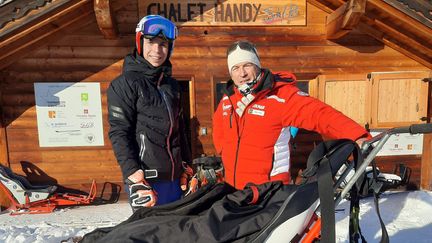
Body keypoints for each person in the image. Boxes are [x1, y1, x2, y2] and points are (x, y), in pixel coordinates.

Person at [212, 40, 370, 190]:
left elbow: (321, 114)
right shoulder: (228, 99)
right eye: (236, 68)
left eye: (247, 65)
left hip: (269, 191)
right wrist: (224, 152)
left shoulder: (281, 97)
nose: (242, 74)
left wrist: (356, 135)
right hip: (234, 188)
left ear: (257, 66)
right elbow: (219, 128)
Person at [107, 15, 192, 210]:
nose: (157, 50)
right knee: (150, 235)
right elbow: (119, 132)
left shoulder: (171, 86)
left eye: (163, 44)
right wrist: (133, 173)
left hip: (175, 178)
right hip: (145, 179)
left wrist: (188, 165)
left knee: (177, 232)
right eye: (150, 42)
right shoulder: (125, 84)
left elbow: (181, 131)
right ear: (139, 42)